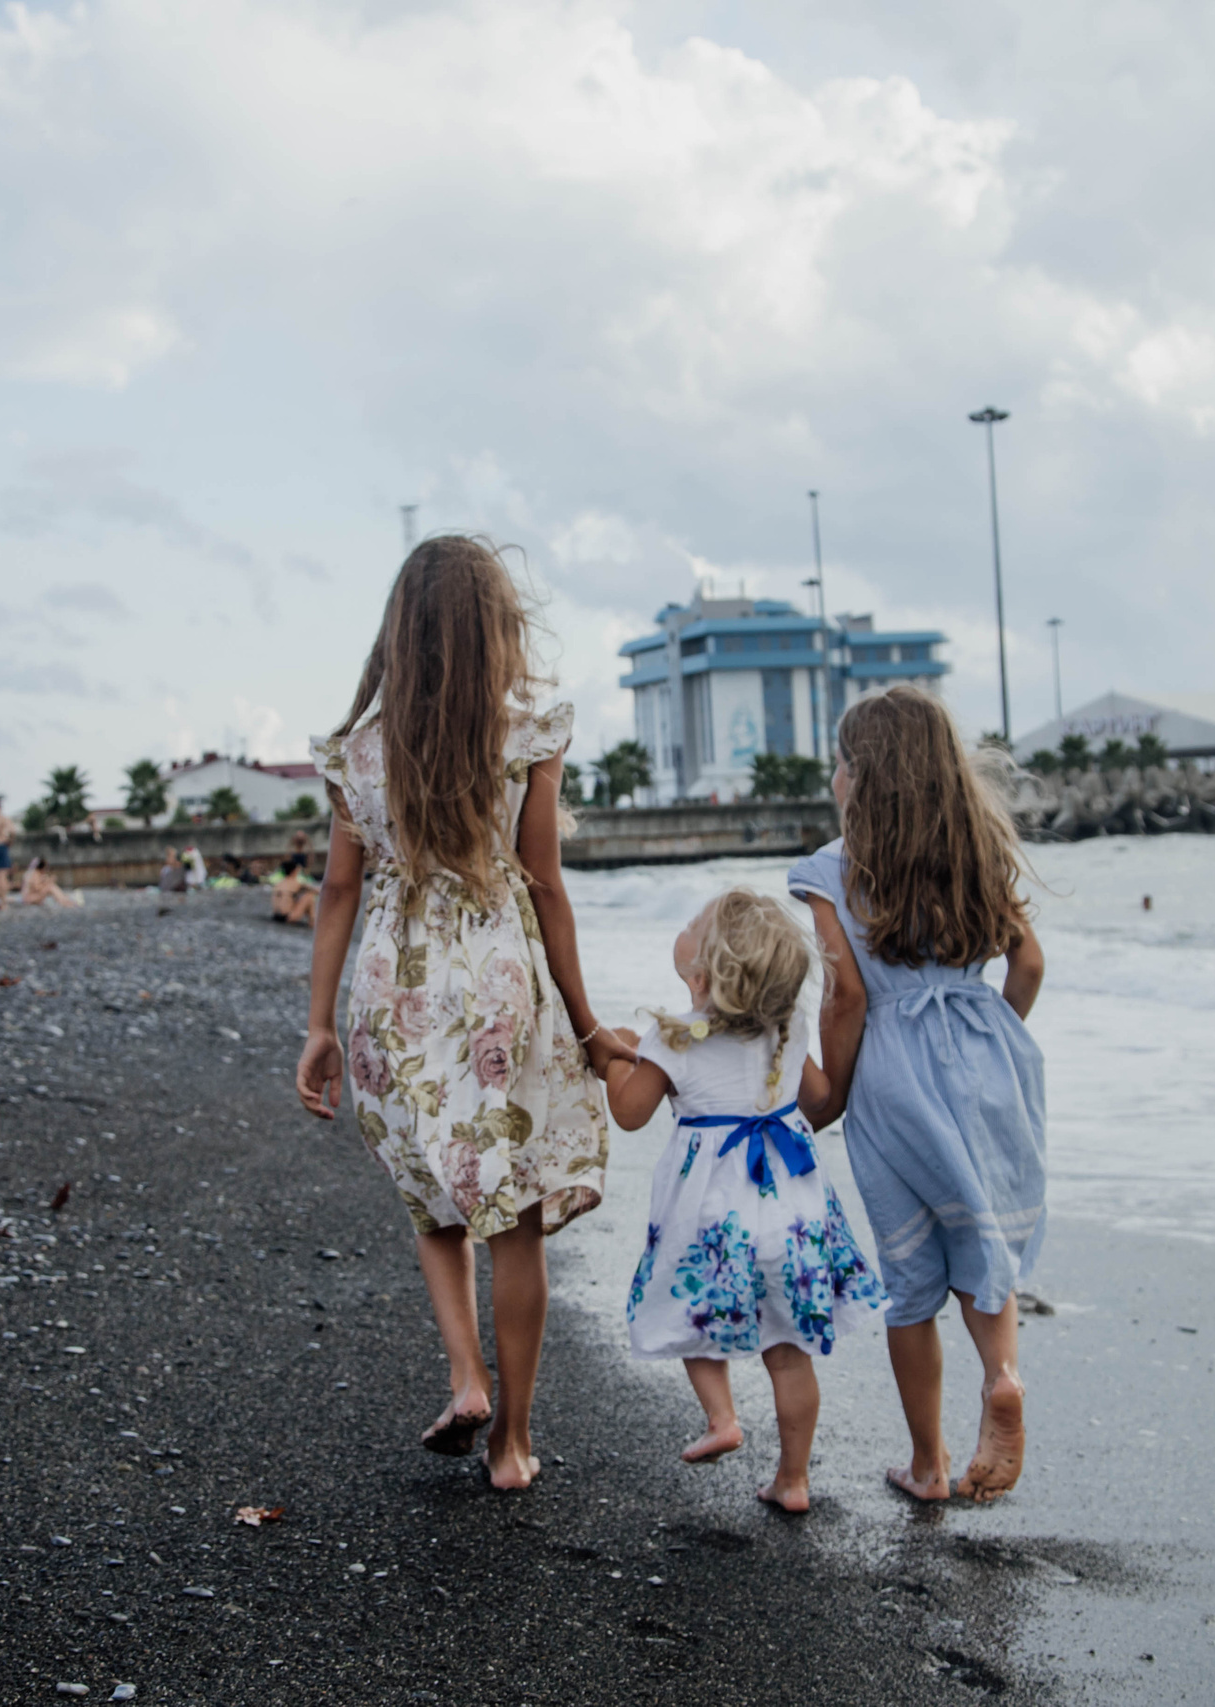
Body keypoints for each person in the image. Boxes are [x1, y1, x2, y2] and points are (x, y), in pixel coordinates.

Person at [297, 535, 627, 1491]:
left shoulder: (357, 752)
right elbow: (548, 887)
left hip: (391, 991)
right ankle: (513, 1443)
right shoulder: (526, 735)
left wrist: (319, 1026)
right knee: (514, 1217)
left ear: (398, 630)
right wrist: (588, 1021)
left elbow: (337, 891)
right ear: (497, 631)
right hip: (497, 982)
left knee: (432, 1201)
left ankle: (465, 1373)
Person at [786, 685, 1046, 1505]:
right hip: (984, 1056)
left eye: (840, 763)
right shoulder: (978, 848)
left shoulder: (833, 867)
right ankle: (1002, 1375)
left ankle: (928, 1465)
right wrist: (994, 1031)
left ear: (861, 775)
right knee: (984, 1247)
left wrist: (827, 1096)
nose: (834, 777)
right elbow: (1029, 963)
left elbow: (847, 998)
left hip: (892, 1072)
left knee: (911, 1277)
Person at [602, 889, 885, 1514]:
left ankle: (722, 1417)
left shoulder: (671, 1040)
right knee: (789, 1357)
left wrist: (613, 1062)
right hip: (791, 1214)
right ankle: (793, 1480)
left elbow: (628, 1113)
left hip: (713, 1220)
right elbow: (816, 1096)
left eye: (692, 923)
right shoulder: (787, 1027)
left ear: (701, 973)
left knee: (697, 1318)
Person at [270, 831, 319, 926]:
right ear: (295, 871)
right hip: (289, 917)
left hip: (276, 916)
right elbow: (318, 892)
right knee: (309, 896)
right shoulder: (298, 883)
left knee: (293, 896)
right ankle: (313, 922)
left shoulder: (279, 882)